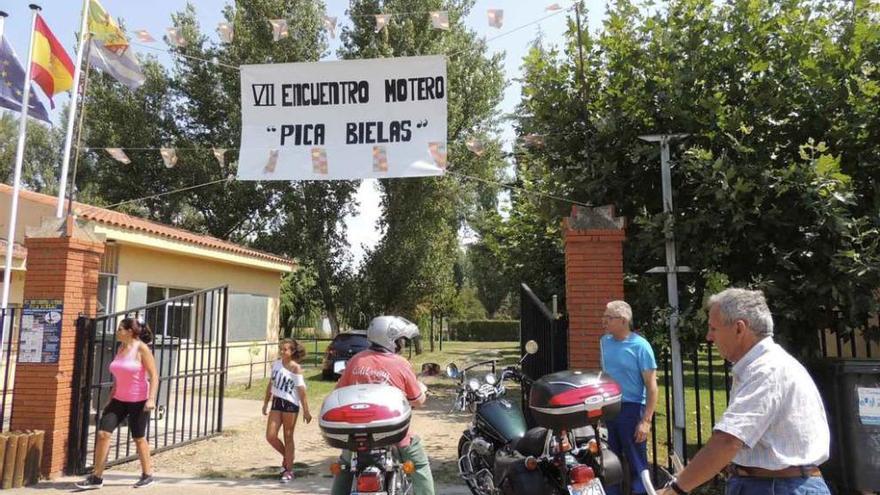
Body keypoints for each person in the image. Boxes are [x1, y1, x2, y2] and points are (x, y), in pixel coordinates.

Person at [658, 288, 831, 495]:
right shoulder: (763, 366)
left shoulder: (766, 370)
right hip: (771, 484)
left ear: (739, 328)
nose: (709, 337)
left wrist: (676, 489)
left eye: (713, 328)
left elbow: (728, 441)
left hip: (777, 487)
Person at [330, 316, 433, 495]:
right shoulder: (400, 363)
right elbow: (417, 400)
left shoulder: (356, 360)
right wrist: (422, 391)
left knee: (345, 466)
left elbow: (339, 391)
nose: (402, 344)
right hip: (392, 433)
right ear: (391, 339)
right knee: (420, 464)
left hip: (356, 434)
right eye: (400, 340)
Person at [76, 317, 159, 490]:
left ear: (130, 331)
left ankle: (147, 474)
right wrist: (110, 398)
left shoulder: (142, 348)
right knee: (103, 434)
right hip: (119, 399)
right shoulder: (121, 348)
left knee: (138, 438)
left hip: (139, 400)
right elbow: (119, 375)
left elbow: (154, 376)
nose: (117, 331)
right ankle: (96, 477)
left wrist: (151, 399)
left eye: (120, 329)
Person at [600, 300, 658, 495]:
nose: (603, 321)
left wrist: (646, 421)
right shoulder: (604, 342)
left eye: (608, 318)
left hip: (632, 409)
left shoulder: (641, 347)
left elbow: (652, 387)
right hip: (610, 407)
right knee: (610, 462)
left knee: (636, 462)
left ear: (623, 320)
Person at [263, 338, 312, 483]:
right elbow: (270, 384)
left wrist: (306, 411)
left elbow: (301, 391)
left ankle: (288, 470)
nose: (282, 351)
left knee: (288, 436)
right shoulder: (276, 364)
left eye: (286, 349)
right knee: (270, 436)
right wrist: (266, 402)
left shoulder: (295, 368)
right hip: (277, 402)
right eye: (281, 349)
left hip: (290, 404)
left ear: (292, 352)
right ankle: (288, 456)